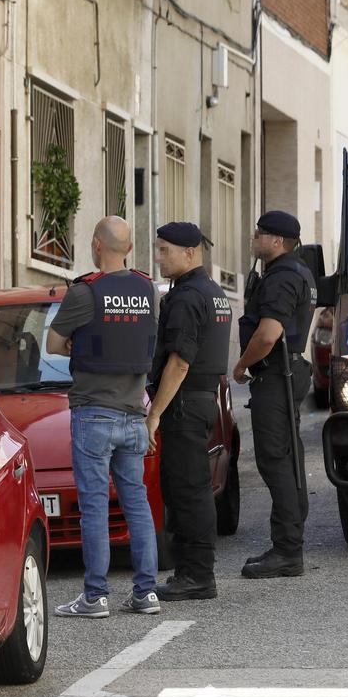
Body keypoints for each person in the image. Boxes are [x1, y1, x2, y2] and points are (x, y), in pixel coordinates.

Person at [47, 217, 161, 619]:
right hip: (134, 414)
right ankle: (146, 593)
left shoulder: (85, 292)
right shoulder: (147, 289)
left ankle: (95, 597)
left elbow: (53, 342)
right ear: (129, 248)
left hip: (93, 413)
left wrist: (83, 345)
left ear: (97, 245)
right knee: (137, 504)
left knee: (94, 507)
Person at [147, 222, 233, 601]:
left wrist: (154, 414)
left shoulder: (186, 297)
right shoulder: (213, 292)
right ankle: (193, 573)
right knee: (192, 488)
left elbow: (179, 363)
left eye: (165, 250)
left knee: (187, 491)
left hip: (184, 403)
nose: (159, 257)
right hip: (202, 401)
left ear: (190, 252)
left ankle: (196, 576)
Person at [233, 210, 316, 579]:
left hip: (277, 373)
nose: (254, 238)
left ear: (277, 241)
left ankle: (287, 550)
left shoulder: (282, 277)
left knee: (273, 459)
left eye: (260, 234)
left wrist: (240, 365)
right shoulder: (298, 271)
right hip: (289, 371)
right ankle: (287, 542)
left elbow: (267, 335)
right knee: (286, 454)